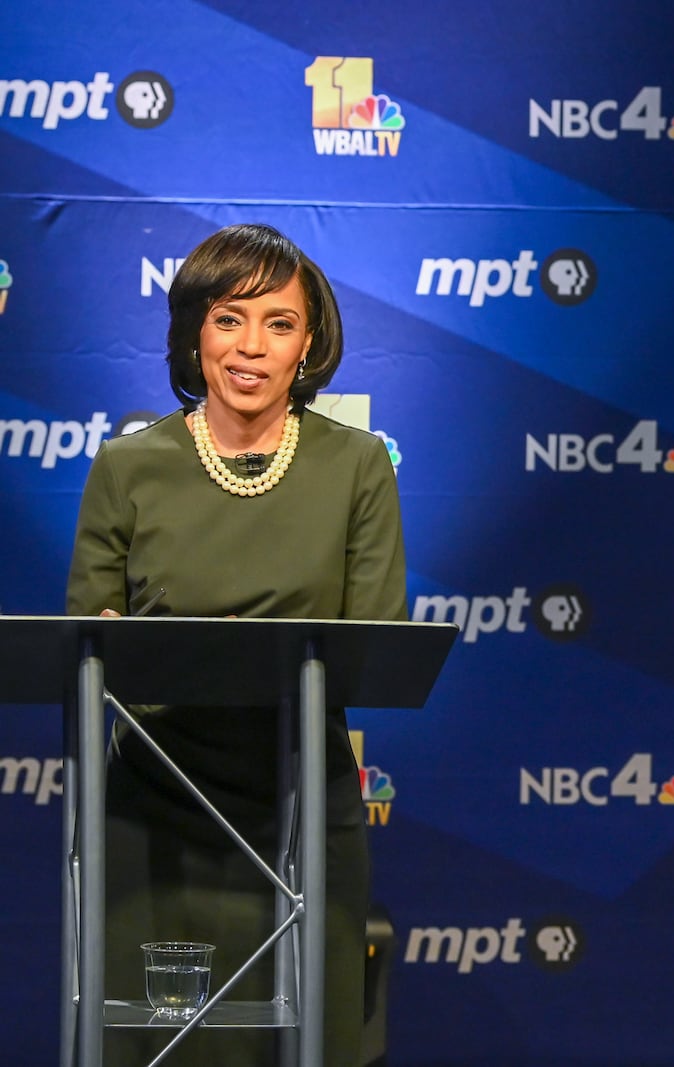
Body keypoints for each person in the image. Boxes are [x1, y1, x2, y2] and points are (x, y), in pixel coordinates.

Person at [66, 223, 405, 1065]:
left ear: (309, 343)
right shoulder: (126, 467)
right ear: (193, 333)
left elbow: (373, 639)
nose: (252, 346)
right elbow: (87, 644)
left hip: (300, 801)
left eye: (279, 323)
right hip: (154, 809)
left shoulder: (358, 465)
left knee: (302, 1039)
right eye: (229, 318)